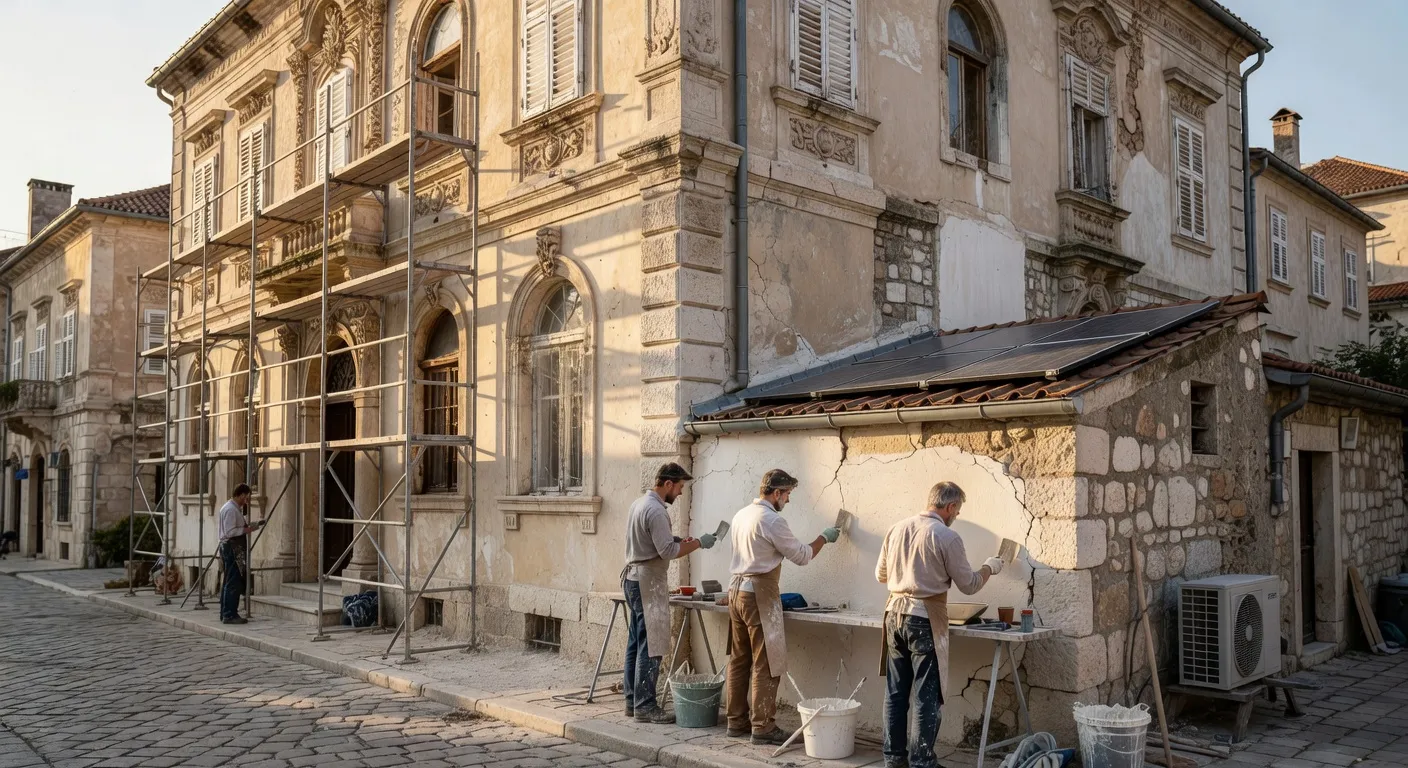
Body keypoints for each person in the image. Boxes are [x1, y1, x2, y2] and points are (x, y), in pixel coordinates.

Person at [875, 481, 1005, 768]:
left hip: (893, 615)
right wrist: (990, 568)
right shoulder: (946, 536)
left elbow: (881, 575)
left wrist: (908, 575)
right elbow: (969, 585)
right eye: (957, 510)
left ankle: (894, 759)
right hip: (924, 618)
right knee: (926, 695)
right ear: (950, 507)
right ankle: (922, 761)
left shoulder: (898, 528)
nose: (956, 515)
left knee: (896, 693)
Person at [725, 469, 840, 745]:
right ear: (776, 493)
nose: (787, 500)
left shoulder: (741, 515)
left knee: (739, 659)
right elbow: (802, 556)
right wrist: (824, 537)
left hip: (736, 591)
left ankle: (735, 721)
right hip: (758, 594)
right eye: (787, 494)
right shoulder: (772, 520)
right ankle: (762, 726)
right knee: (766, 661)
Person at [621, 462, 711, 724]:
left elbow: (653, 541)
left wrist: (676, 539)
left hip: (632, 577)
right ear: (668, 484)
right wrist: (696, 544)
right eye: (680, 487)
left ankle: (631, 700)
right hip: (647, 581)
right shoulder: (657, 511)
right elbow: (667, 553)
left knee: (636, 642)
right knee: (652, 645)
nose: (681, 493)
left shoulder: (638, 504)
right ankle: (645, 705)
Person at [217, 484, 263, 625]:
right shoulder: (231, 509)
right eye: (246, 497)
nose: (246, 500)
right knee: (233, 581)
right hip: (232, 547)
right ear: (241, 494)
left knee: (229, 581)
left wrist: (249, 526)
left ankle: (226, 612)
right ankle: (229, 614)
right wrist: (248, 530)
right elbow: (231, 532)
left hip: (229, 547)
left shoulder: (230, 507)